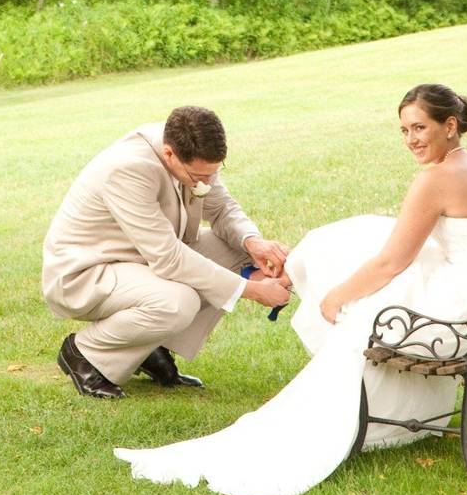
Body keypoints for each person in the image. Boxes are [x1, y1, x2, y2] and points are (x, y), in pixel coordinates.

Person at [114, 84, 467, 495]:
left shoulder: (437, 180)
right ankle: (298, 276)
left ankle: (340, 388)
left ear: (450, 125)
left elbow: (390, 263)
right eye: (404, 131)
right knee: (362, 239)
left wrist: (336, 298)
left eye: (419, 129)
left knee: (362, 310)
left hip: (461, 320)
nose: (410, 140)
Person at [42, 106, 291, 399]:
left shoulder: (191, 154)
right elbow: (169, 258)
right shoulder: (128, 169)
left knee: (238, 251)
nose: (206, 184)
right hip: (88, 273)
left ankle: (148, 347)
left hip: (139, 261)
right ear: (170, 154)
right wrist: (251, 290)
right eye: (199, 176)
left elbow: (222, 208)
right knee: (178, 302)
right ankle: (85, 353)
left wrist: (253, 243)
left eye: (213, 174)